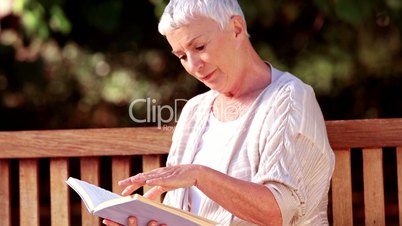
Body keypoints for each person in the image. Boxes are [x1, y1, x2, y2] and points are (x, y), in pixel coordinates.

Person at [103, 0, 335, 225]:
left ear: (236, 29)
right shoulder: (195, 111)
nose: (193, 66)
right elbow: (177, 213)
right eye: (182, 56)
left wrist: (200, 176)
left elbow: (279, 212)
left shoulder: (289, 98)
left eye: (200, 47)